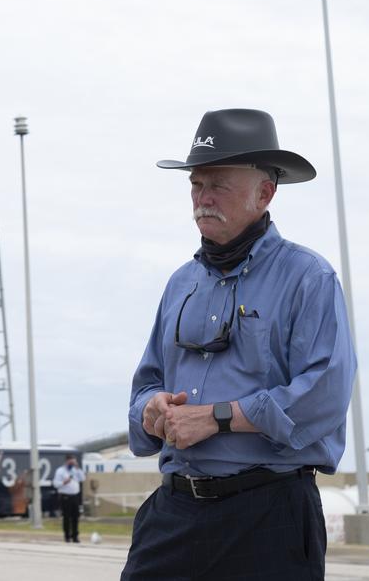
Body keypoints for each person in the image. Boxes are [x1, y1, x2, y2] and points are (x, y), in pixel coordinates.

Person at [122, 109, 356, 580]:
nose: (203, 198)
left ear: (264, 193)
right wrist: (151, 410)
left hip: (269, 517)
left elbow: (324, 395)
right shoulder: (180, 283)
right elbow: (146, 383)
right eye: (196, 185)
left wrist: (217, 417)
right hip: (175, 512)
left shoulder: (308, 278)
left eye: (218, 185)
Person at [52, 455, 85, 543]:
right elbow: (56, 484)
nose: (72, 464)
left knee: (76, 516)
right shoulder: (60, 471)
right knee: (67, 517)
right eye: (71, 462)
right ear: (66, 461)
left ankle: (75, 536)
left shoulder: (75, 470)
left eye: (73, 462)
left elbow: (82, 478)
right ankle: (67, 536)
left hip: (75, 496)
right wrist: (64, 482)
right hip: (65, 496)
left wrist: (77, 468)